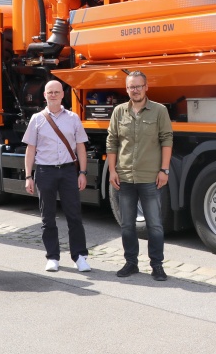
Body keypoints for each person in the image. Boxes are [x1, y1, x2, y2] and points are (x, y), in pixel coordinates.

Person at [107, 71, 173, 281]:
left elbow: (167, 140)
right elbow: (112, 141)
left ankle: (157, 265)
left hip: (150, 177)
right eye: (131, 87)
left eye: (138, 86)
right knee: (127, 224)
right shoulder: (119, 112)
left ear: (146, 87)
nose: (134, 90)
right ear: (126, 89)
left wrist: (164, 170)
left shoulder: (159, 111)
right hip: (125, 177)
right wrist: (112, 170)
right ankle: (131, 262)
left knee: (154, 224)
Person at [23, 80, 91, 273]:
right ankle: (52, 257)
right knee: (47, 217)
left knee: (74, 216)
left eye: (56, 92)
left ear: (63, 95)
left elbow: (80, 147)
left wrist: (83, 173)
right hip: (45, 171)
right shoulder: (37, 119)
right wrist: (28, 175)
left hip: (69, 171)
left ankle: (80, 256)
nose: (53, 95)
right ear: (44, 95)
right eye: (49, 92)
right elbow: (31, 149)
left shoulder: (73, 118)